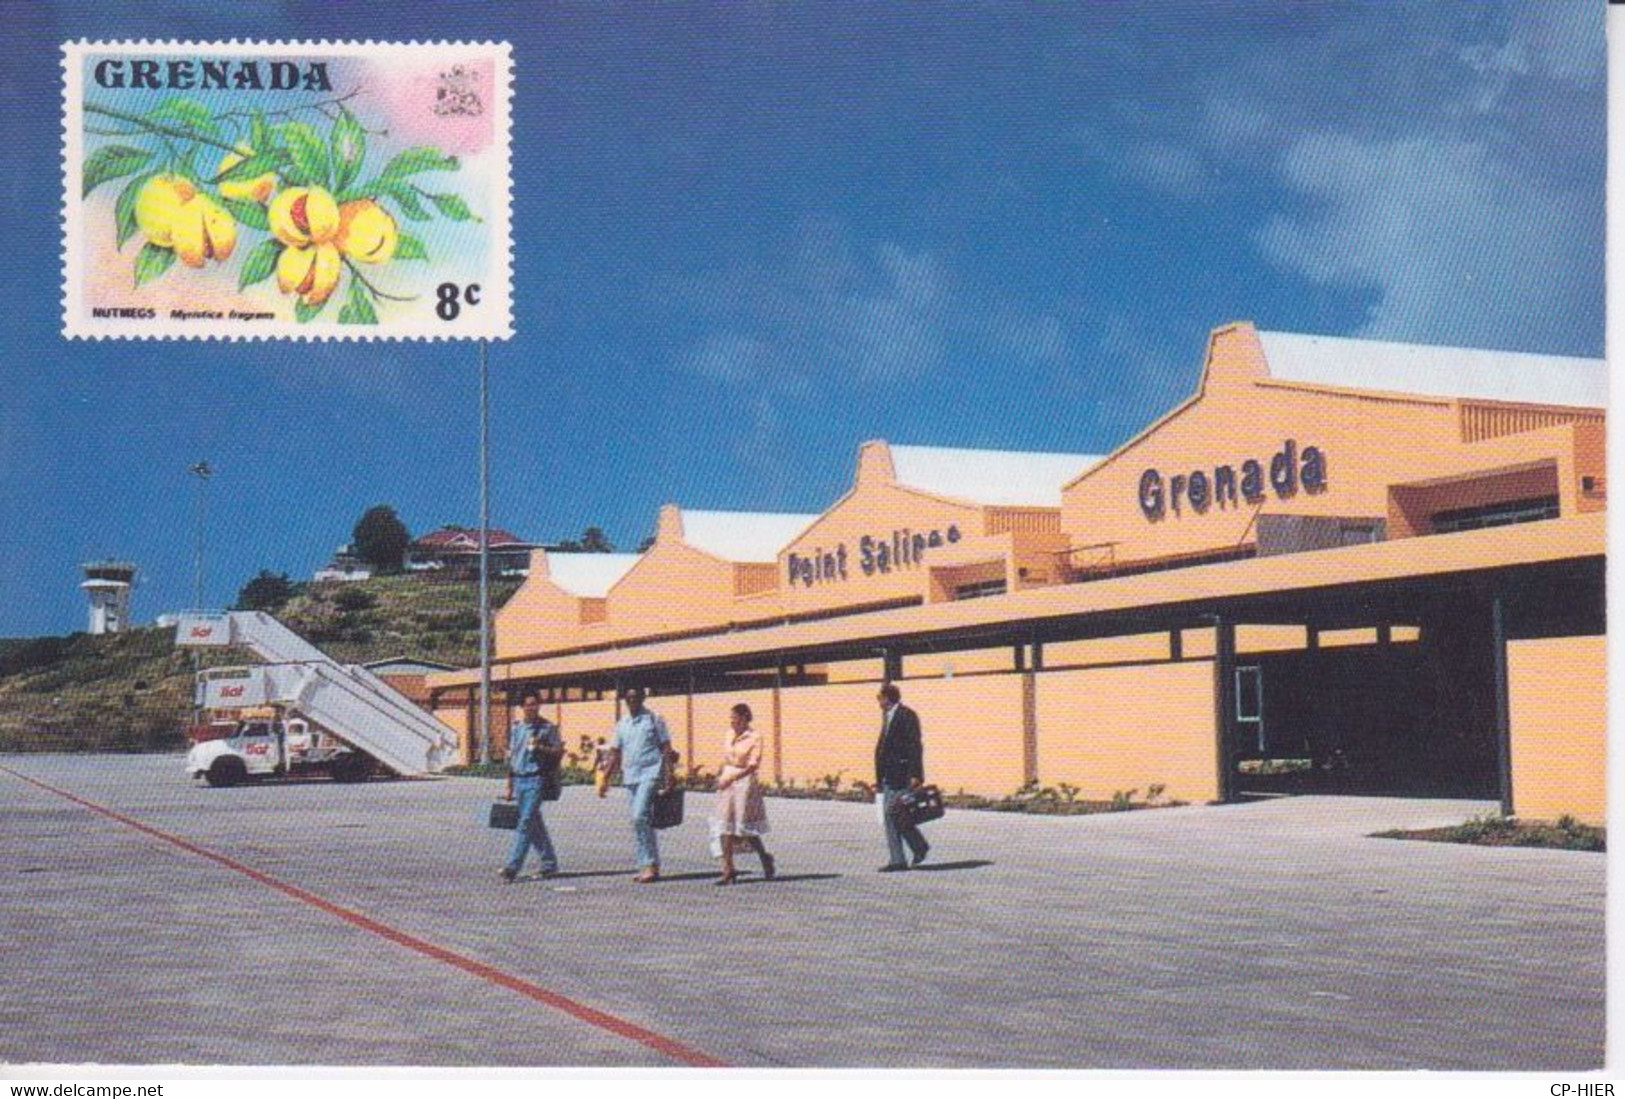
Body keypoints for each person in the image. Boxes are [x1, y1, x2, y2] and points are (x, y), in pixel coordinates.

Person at [599, 686, 677, 883]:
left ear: (643, 698)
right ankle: (648, 865)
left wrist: (670, 774)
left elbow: (666, 747)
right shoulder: (622, 723)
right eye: (629, 698)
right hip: (631, 776)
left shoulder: (654, 719)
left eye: (636, 698)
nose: (632, 701)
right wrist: (605, 778)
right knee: (640, 820)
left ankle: (650, 864)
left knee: (639, 815)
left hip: (650, 773)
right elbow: (615, 752)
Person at [500, 692, 564, 883]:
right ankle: (549, 863)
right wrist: (509, 785)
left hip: (536, 779)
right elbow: (512, 758)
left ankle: (513, 866)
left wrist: (541, 747)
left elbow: (558, 752)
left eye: (535, 704)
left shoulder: (547, 728)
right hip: (520, 779)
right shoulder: (517, 729)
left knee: (526, 821)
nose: (532, 708)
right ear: (522, 707)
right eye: (528, 704)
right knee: (534, 824)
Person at [710, 703, 776, 886]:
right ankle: (728, 869)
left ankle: (764, 858)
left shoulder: (755, 737)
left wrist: (731, 778)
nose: (732, 722)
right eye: (731, 718)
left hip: (744, 783)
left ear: (745, 717)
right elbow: (726, 759)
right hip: (727, 780)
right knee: (724, 825)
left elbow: (753, 765)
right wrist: (720, 776)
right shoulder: (729, 734)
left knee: (744, 827)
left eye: (735, 718)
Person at [874, 681, 929, 872]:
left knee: (895, 812)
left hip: (903, 774)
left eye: (879, 698)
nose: (878, 702)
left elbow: (915, 745)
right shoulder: (887, 716)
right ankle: (898, 859)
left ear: (888, 698)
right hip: (888, 775)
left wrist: (916, 774)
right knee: (891, 815)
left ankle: (917, 846)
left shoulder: (907, 715)